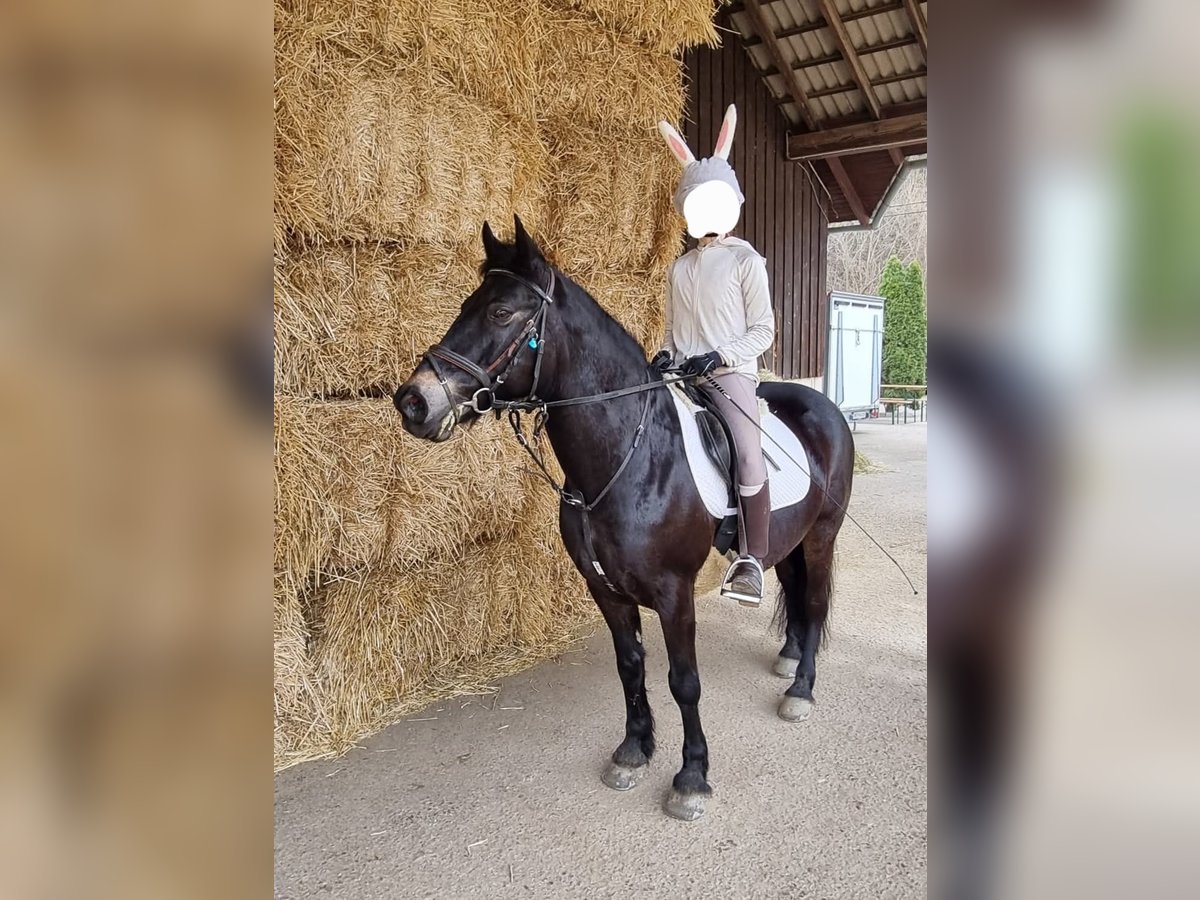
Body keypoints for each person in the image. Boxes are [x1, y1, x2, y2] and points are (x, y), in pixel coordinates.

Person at [653, 105, 776, 607]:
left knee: (746, 451)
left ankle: (751, 558)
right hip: (682, 378)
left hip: (729, 377)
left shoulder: (747, 261)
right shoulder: (678, 269)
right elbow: (670, 330)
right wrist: (664, 356)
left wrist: (721, 355)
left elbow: (764, 330)